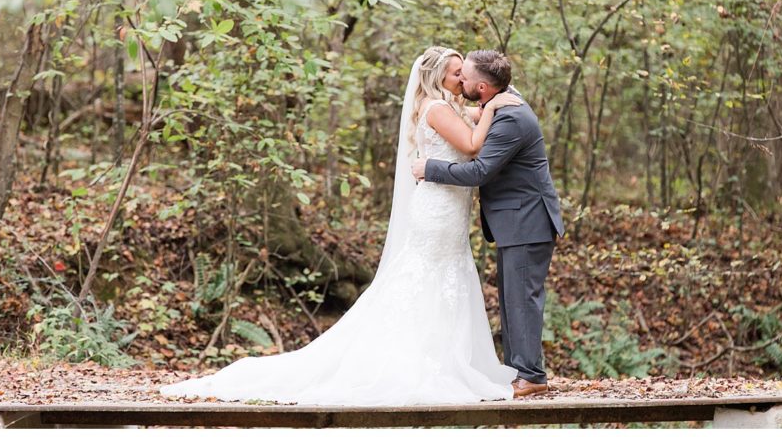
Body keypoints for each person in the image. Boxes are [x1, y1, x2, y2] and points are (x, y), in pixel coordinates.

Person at [160, 46, 523, 405]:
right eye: (456, 72)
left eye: (464, 72)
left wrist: (487, 106)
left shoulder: (443, 107)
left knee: (443, 281)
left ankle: (444, 358)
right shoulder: (439, 108)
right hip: (438, 213)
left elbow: (467, 132)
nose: (463, 78)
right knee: (430, 281)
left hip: (448, 209)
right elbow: (474, 147)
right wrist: (491, 107)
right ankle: (422, 365)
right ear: (436, 76)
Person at [412, 50, 564, 398]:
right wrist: (480, 111)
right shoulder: (500, 100)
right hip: (517, 219)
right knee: (513, 298)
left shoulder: (509, 116)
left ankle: (531, 376)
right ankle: (518, 370)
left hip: (527, 219)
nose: (460, 81)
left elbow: (480, 171)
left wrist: (429, 168)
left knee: (522, 299)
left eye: (464, 76)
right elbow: (473, 123)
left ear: (482, 87)